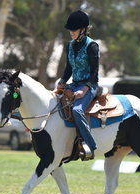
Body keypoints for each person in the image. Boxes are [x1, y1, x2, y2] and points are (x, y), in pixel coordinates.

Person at [57, 10, 100, 160]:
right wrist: (62, 81)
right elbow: (69, 68)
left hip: (91, 85)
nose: (71, 32)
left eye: (74, 30)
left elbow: (95, 72)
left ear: (83, 29)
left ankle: (90, 146)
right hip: (74, 84)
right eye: (70, 30)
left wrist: (84, 89)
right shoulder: (69, 46)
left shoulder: (92, 46)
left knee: (77, 110)